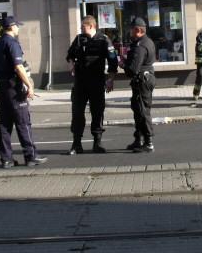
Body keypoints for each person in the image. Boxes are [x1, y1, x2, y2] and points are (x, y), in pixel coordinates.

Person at [0, 15, 47, 168]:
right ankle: (31, 156)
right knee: (23, 123)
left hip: (1, 87)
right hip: (14, 88)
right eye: (17, 26)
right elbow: (18, 67)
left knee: (5, 125)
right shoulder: (12, 43)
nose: (18, 28)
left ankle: (6, 159)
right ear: (12, 26)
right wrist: (29, 85)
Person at [66, 15, 118, 155]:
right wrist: (71, 65)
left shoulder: (103, 40)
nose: (81, 28)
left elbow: (113, 62)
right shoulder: (78, 39)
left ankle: (97, 142)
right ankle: (76, 144)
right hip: (80, 83)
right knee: (77, 113)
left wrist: (110, 80)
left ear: (91, 26)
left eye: (83, 26)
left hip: (96, 82)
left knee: (97, 112)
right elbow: (70, 55)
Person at [123, 17, 156, 152]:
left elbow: (133, 69)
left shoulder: (141, 45)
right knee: (138, 110)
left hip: (142, 80)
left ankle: (148, 142)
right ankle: (139, 139)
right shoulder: (146, 41)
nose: (129, 32)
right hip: (144, 80)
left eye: (131, 29)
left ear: (137, 30)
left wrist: (123, 64)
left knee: (143, 112)